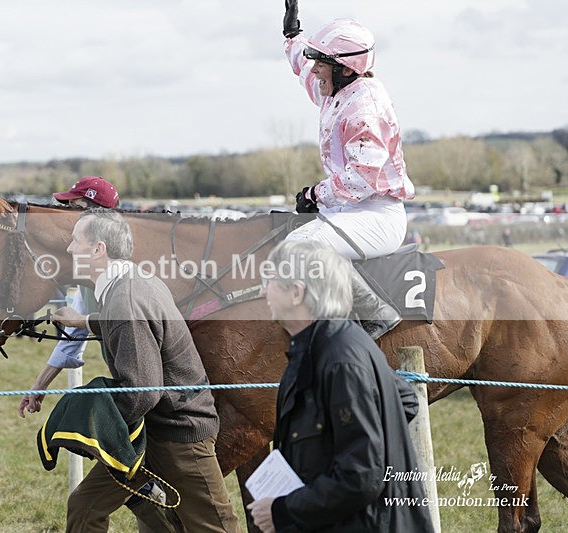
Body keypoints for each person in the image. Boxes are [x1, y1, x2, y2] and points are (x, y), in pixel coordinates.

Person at [52, 209, 241, 532]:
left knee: (214, 527)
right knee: (85, 506)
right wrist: (82, 321)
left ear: (99, 249)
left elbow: (142, 391)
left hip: (179, 434)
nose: (69, 249)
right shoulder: (134, 281)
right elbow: (133, 325)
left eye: (75, 241)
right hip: (149, 429)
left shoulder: (125, 299)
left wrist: (96, 426)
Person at [247, 240, 434, 533]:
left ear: (296, 293)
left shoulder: (340, 359)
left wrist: (283, 510)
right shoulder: (326, 345)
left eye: (269, 282)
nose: (261, 291)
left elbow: (360, 476)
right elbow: (403, 401)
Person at [281, 3, 412, 339]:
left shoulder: (364, 107)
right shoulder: (338, 90)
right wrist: (293, 36)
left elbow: (362, 178)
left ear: (346, 69)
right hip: (350, 211)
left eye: (321, 64)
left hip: (377, 216)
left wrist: (315, 194)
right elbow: (303, 72)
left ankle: (376, 314)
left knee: (299, 247)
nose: (315, 71)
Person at [18, 176, 119, 418]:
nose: (66, 215)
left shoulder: (123, 270)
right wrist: (40, 385)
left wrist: (79, 321)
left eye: (73, 208)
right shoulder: (89, 273)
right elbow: (73, 336)